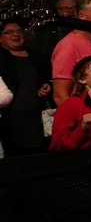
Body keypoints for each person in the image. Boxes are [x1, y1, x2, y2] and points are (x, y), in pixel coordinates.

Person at [0, 17, 53, 157]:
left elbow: (48, 80)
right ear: (0, 39)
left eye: (18, 31)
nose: (15, 34)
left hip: (38, 118)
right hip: (12, 119)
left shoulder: (37, 57)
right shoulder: (1, 59)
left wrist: (46, 86)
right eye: (9, 32)